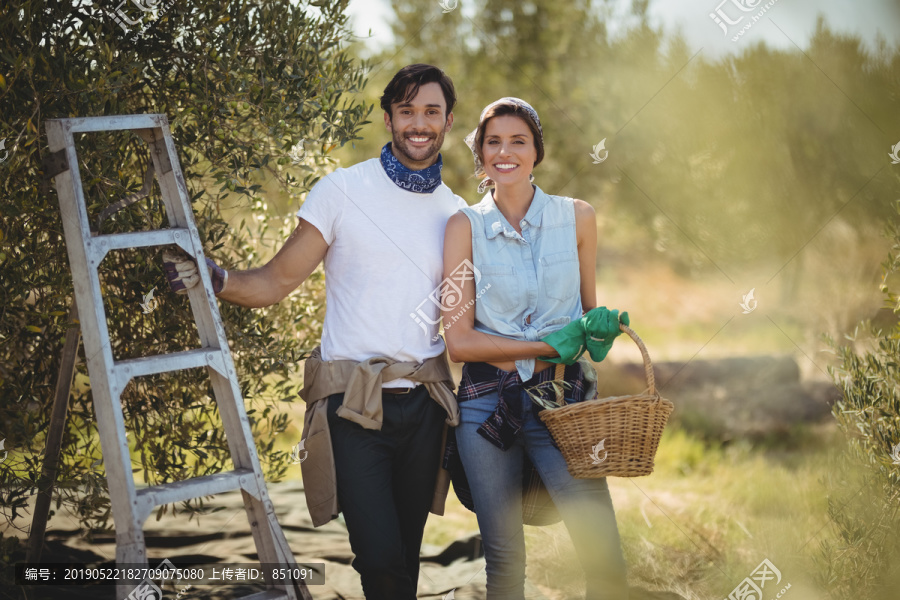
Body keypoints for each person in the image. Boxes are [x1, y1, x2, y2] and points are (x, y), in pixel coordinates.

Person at [163, 64, 467, 600]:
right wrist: (216, 279)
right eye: (407, 111)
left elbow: (467, 318)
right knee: (377, 557)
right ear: (389, 117)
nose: (419, 123)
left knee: (405, 553)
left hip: (424, 405)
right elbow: (276, 281)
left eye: (431, 112)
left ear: (447, 120)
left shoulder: (457, 214)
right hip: (351, 402)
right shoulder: (342, 191)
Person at [441, 97, 631, 600]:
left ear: (536, 151)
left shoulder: (578, 218)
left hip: (563, 407)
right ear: (480, 154)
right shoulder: (464, 227)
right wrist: (549, 344)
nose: (505, 152)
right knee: (504, 563)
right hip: (487, 405)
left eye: (518, 141)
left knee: (604, 555)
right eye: (493, 142)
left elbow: (589, 319)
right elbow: (458, 341)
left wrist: (602, 327)